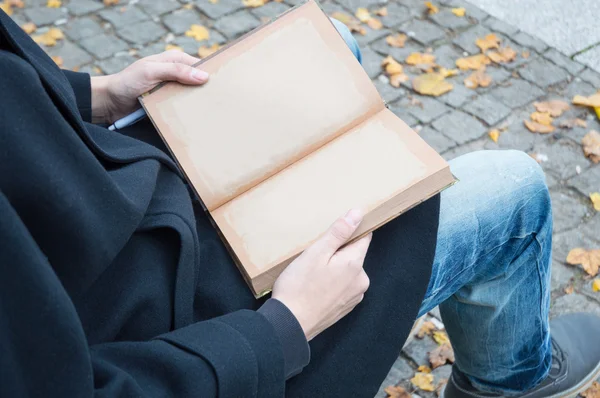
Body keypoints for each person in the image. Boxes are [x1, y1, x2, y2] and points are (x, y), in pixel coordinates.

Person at [1, 9, 599, 397]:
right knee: (511, 187)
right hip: (190, 337)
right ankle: (513, 380)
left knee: (329, 46)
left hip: (108, 197)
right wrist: (283, 329)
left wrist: (94, 96)